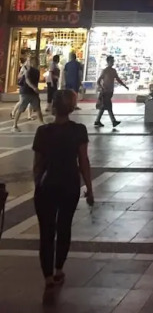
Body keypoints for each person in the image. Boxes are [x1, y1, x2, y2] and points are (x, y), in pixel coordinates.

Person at [32, 89, 93, 297]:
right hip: (69, 184)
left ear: (54, 107)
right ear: (71, 108)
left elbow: (37, 165)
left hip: (46, 185)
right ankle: (59, 269)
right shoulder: (79, 130)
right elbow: (83, 161)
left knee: (46, 232)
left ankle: (47, 276)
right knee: (64, 226)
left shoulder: (43, 131)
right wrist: (89, 188)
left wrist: (37, 184)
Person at [94, 55, 128, 128]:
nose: (113, 62)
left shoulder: (113, 71)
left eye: (113, 61)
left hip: (110, 91)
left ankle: (97, 120)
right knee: (109, 106)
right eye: (111, 61)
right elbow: (98, 81)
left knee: (104, 107)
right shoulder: (105, 71)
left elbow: (118, 79)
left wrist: (124, 85)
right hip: (105, 92)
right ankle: (113, 121)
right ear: (108, 62)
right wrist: (102, 87)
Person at [13, 56, 44, 131]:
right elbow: (27, 80)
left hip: (33, 92)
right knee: (21, 108)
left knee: (38, 108)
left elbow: (34, 81)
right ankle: (14, 125)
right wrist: (34, 88)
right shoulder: (26, 69)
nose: (37, 62)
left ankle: (42, 123)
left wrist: (35, 88)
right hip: (26, 91)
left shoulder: (36, 70)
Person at [11, 54, 34, 121]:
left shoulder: (33, 67)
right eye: (29, 60)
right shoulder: (24, 67)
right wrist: (25, 74)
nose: (30, 61)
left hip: (31, 85)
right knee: (21, 101)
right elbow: (19, 76)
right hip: (24, 86)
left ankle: (29, 115)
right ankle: (13, 112)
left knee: (31, 101)